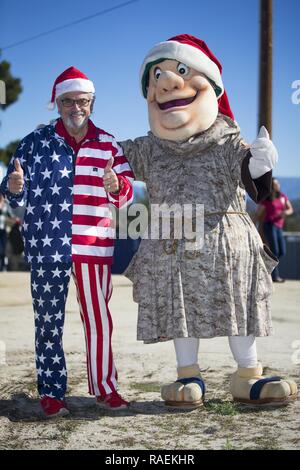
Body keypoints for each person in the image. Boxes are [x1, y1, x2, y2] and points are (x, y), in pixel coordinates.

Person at [120, 34, 297, 407]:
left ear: (211, 87)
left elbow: (252, 180)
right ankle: (188, 376)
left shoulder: (227, 139)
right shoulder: (148, 148)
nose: (168, 83)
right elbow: (108, 156)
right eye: (157, 76)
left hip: (225, 240)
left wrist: (260, 162)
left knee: (236, 306)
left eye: (182, 71)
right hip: (172, 243)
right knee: (179, 306)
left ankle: (248, 375)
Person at [0, 67, 134, 417]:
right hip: (47, 247)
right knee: (47, 322)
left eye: (83, 101)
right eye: (68, 101)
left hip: (94, 246)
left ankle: (105, 389)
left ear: (91, 103)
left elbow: (127, 195)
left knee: (99, 320)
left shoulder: (108, 143)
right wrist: (13, 188)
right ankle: (52, 393)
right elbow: (14, 190)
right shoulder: (33, 142)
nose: (76, 107)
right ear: (57, 103)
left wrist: (118, 187)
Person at [256, 178, 294, 282]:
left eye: (278, 184)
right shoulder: (267, 198)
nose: (278, 185)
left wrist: (285, 212)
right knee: (275, 251)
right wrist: (255, 223)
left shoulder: (283, 197)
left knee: (282, 251)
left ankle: (267, 268)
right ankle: (275, 277)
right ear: (272, 186)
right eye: (275, 184)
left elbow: (290, 209)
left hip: (279, 227)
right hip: (270, 225)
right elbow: (259, 212)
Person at [0, 194, 16, 271]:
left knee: (3, 249)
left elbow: (11, 216)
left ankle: (3, 266)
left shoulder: (6, 206)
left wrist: (14, 220)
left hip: (4, 230)